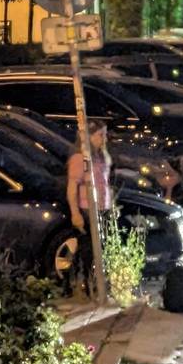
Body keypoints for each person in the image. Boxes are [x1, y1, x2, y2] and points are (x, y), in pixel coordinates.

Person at [64, 119, 113, 297]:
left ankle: (96, 283)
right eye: (101, 135)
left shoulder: (101, 157)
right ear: (89, 137)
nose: (104, 139)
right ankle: (84, 283)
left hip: (102, 209)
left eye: (105, 135)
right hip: (87, 209)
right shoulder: (80, 159)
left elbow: (105, 184)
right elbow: (72, 188)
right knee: (87, 250)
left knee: (101, 248)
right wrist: (75, 213)